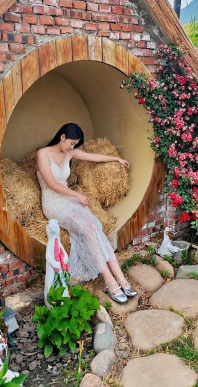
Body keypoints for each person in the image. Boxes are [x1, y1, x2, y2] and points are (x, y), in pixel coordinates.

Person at [36, 123, 137, 304]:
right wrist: (77, 195)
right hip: (53, 203)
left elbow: (95, 157)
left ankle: (121, 278)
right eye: (71, 143)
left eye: (75, 145)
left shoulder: (69, 153)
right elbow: (52, 184)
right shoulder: (43, 154)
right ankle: (110, 282)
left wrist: (117, 159)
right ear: (62, 136)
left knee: (95, 226)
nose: (72, 147)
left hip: (69, 198)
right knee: (88, 227)